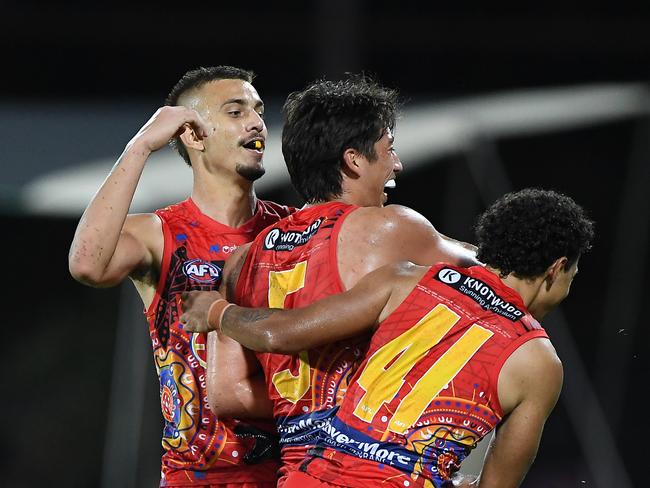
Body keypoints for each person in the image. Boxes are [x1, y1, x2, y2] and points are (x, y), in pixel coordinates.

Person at [182, 188, 595, 488]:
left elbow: (278, 333)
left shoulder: (406, 279)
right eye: (573, 277)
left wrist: (219, 312)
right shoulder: (539, 362)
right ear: (556, 269)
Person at [179, 74, 479, 485]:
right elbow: (494, 275)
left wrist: (309, 404)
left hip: (299, 474)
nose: (398, 164)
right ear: (354, 160)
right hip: (379, 467)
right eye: (389, 149)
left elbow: (227, 392)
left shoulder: (241, 261)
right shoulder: (390, 228)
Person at [68, 66, 293, 487]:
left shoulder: (292, 233)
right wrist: (140, 147)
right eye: (235, 111)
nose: (257, 122)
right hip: (198, 478)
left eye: (258, 110)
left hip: (293, 472)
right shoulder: (160, 233)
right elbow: (87, 264)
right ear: (193, 134)